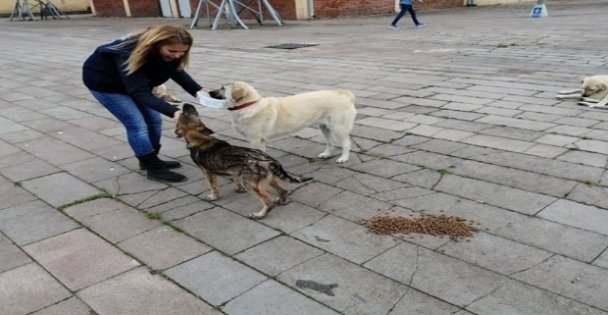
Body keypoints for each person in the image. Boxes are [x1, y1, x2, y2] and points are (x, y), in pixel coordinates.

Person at [83, 25, 205, 182]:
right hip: (107, 85)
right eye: (172, 51)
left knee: (154, 121)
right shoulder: (128, 53)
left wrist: (199, 91)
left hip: (136, 84)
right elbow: (139, 93)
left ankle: (149, 159)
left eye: (182, 52)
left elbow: (176, 72)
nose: (177, 56)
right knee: (137, 125)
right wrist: (174, 111)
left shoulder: (170, 53)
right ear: (156, 45)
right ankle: (153, 169)